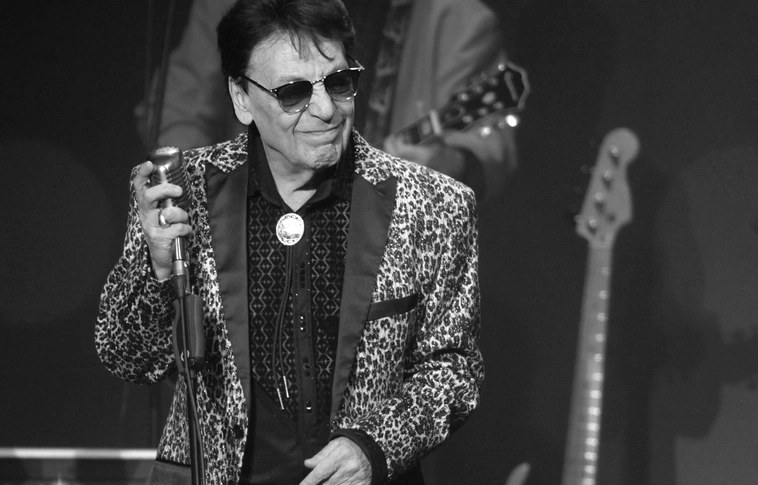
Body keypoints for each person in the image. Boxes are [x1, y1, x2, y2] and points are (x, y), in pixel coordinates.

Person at [96, 0, 483, 483]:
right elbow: (127, 356)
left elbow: (453, 369)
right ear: (241, 98)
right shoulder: (181, 192)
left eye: (339, 83)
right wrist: (156, 271)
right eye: (294, 92)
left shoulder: (434, 204)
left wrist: (374, 448)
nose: (325, 109)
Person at [138, 0, 518, 200]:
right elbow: (177, 109)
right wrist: (214, 202)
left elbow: (487, 152)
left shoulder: (456, 19)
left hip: (378, 263)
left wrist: (446, 164)